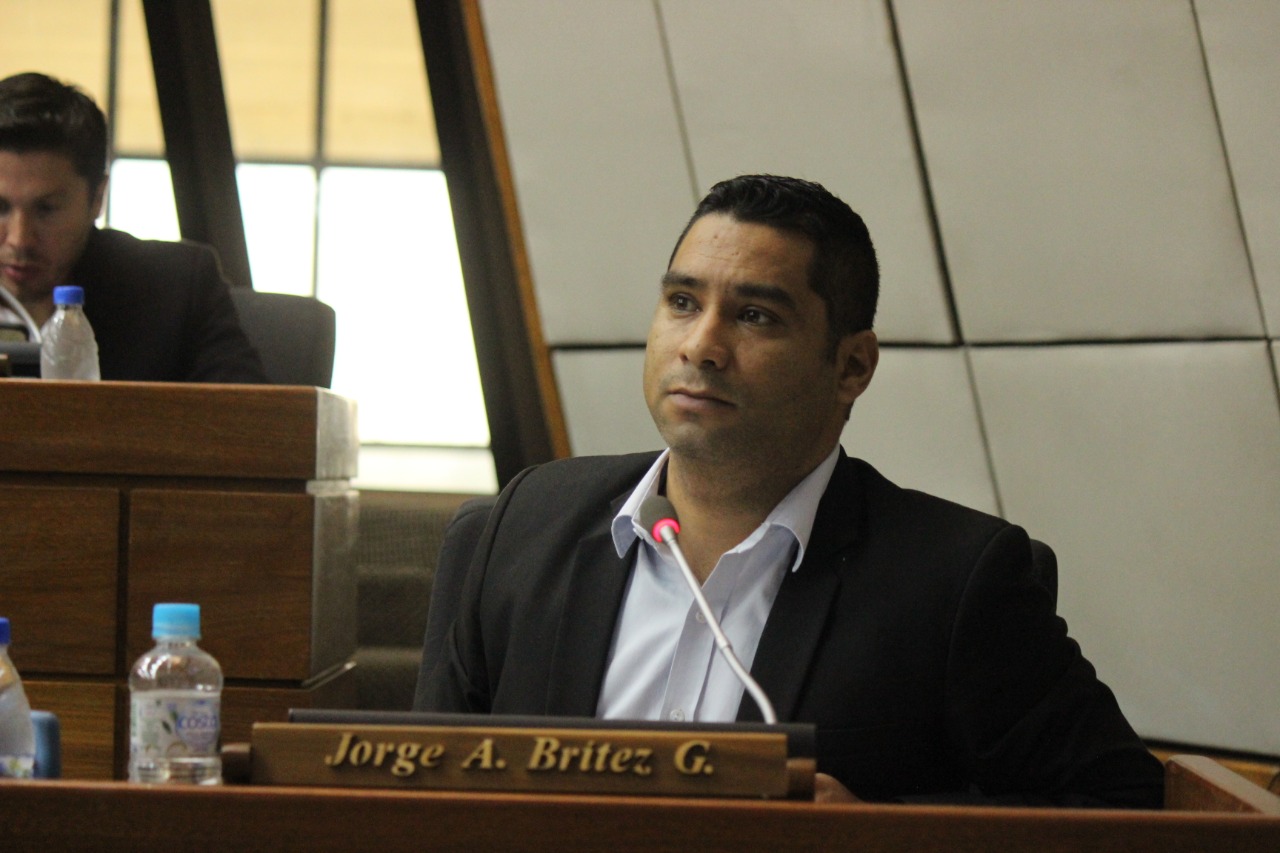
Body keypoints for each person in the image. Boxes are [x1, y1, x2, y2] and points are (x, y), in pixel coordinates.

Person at [415, 174, 1165, 808]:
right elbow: (411, 801)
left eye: (754, 316)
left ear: (852, 368)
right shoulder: (522, 526)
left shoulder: (956, 581)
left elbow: (1124, 815)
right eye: (682, 301)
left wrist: (879, 841)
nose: (700, 345)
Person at [0, 71, 266, 382]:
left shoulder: (174, 291)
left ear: (97, 197)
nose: (20, 239)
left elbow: (252, 423)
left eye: (46, 210)